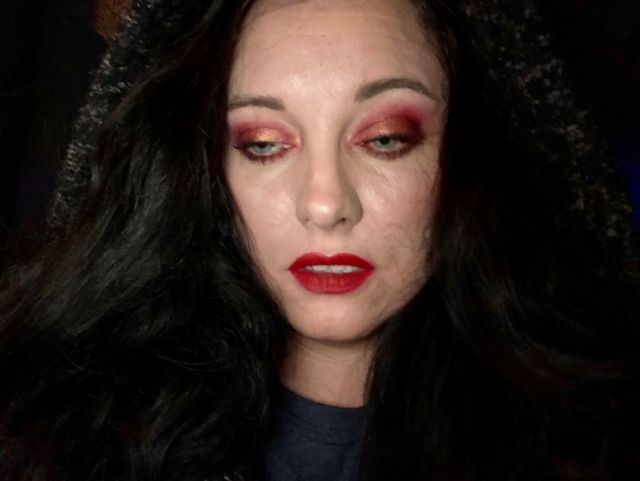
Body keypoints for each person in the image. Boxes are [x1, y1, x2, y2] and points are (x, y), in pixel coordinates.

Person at [1, 0, 638, 480]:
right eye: (264, 145)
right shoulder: (65, 439)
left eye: (385, 139)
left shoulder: (589, 442)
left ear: (468, 158)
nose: (326, 204)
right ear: (202, 171)